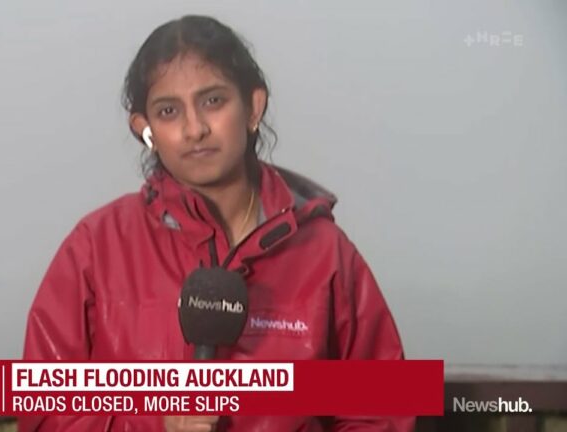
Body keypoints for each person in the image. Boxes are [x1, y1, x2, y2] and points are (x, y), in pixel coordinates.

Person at [21, 15, 414, 432]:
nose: (195, 129)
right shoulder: (95, 247)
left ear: (253, 107)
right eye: (169, 111)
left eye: (213, 101)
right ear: (146, 130)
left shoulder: (325, 252)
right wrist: (153, 423)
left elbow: (381, 410)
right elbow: (42, 415)